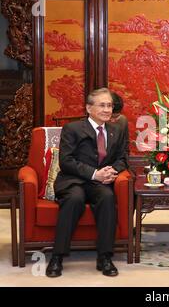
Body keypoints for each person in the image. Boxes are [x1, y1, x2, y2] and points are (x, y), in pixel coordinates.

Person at [46, 88, 128, 278]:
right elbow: (66, 161)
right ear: (89, 108)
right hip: (73, 180)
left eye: (109, 105)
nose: (107, 109)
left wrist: (112, 172)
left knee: (107, 197)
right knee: (74, 199)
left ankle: (105, 257)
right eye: (102, 105)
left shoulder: (116, 130)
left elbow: (123, 158)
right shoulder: (73, 128)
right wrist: (94, 173)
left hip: (100, 183)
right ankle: (57, 256)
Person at [109, 91, 129, 165]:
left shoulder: (122, 120)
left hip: (115, 165)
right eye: (110, 117)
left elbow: (125, 148)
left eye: (116, 117)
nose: (113, 120)